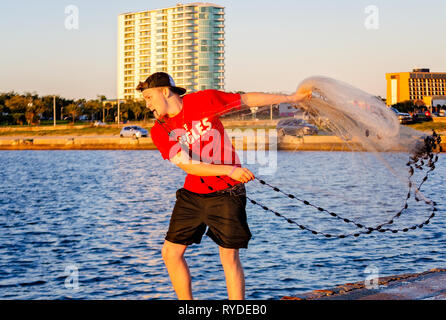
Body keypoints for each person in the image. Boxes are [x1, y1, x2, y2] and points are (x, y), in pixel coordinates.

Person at [136, 72, 311, 300]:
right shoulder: (160, 130)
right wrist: (229, 169)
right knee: (170, 253)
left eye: (149, 97)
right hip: (193, 194)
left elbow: (246, 99)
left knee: (229, 258)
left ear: (165, 92)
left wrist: (291, 97)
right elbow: (189, 166)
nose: (147, 105)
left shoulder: (203, 101)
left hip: (228, 193)